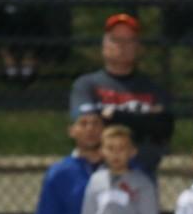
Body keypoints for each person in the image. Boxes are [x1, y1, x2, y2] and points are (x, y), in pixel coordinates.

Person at [69, 13, 174, 179]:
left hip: (142, 175)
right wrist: (143, 121)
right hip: (93, 174)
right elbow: (88, 128)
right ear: (104, 45)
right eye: (115, 40)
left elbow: (163, 129)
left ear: (138, 47)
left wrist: (114, 115)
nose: (122, 46)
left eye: (129, 41)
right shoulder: (86, 85)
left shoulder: (153, 88)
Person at [30, 105, 104, 214]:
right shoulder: (60, 173)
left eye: (96, 123)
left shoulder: (122, 169)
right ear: (72, 131)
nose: (90, 129)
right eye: (83, 123)